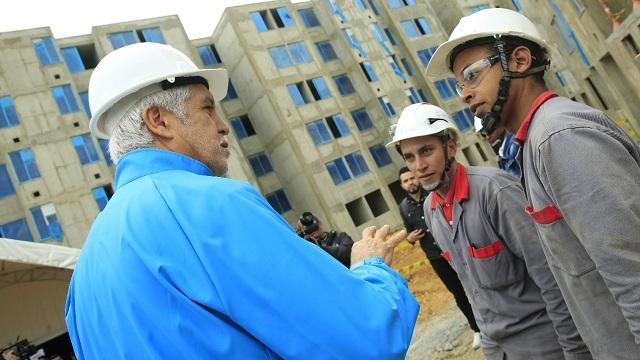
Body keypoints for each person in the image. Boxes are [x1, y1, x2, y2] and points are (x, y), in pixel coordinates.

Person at [64, 42, 419, 359]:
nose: (223, 125)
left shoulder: (82, 279)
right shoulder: (208, 205)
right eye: (207, 109)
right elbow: (363, 342)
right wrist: (372, 268)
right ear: (159, 120)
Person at [426, 7, 640, 358]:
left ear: (520, 60)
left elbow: (632, 272)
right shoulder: (535, 143)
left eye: (473, 75)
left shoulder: (560, 137)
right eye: (459, 84)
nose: (464, 94)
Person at [388, 103, 591, 359]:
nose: (419, 165)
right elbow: (470, 286)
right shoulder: (431, 209)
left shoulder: (495, 191)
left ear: (450, 146)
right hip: (498, 347)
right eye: (409, 157)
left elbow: (555, 276)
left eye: (426, 151)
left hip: (546, 343)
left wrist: (575, 349)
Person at [397, 166, 481, 349]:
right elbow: (409, 233)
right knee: (458, 293)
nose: (410, 182)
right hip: (435, 257)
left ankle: (490, 318)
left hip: (455, 248)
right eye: (405, 181)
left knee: (475, 283)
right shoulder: (404, 208)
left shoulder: (434, 194)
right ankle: (477, 329)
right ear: (402, 185)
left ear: (417, 179)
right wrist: (410, 239)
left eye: (412, 178)